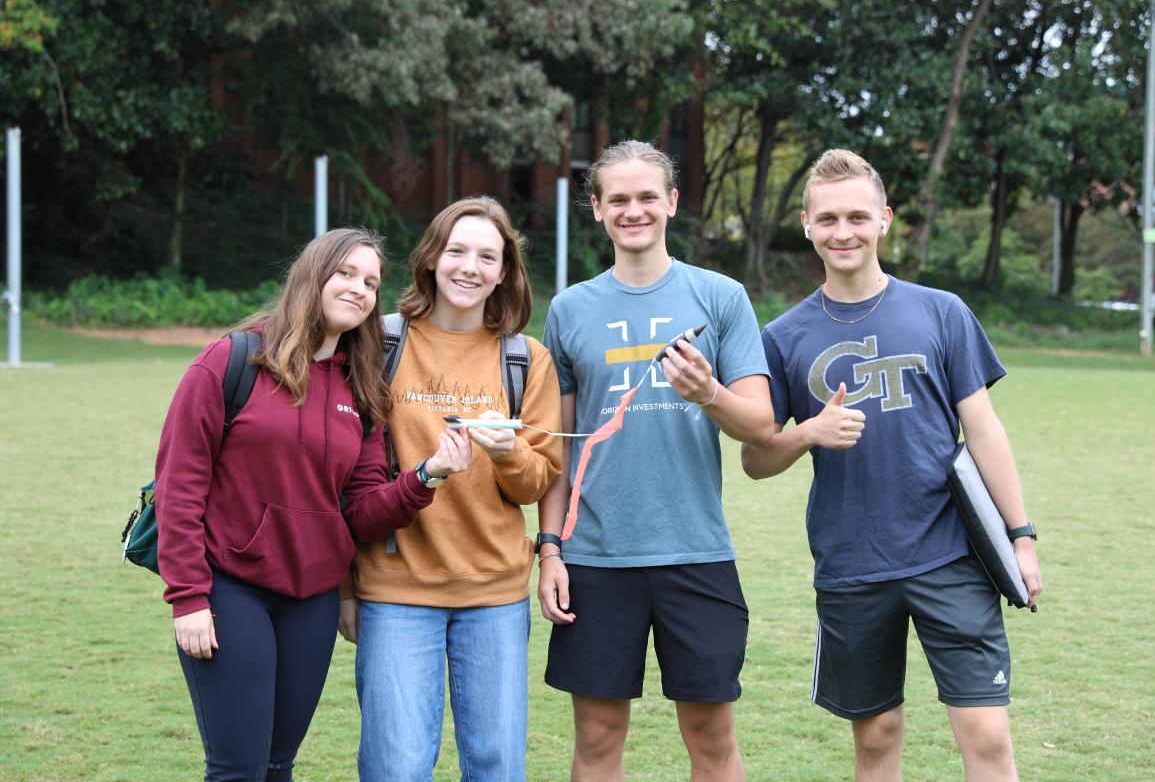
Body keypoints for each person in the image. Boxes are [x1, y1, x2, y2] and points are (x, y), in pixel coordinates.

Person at [741, 149, 1044, 782]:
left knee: (987, 736)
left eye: (857, 216)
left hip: (952, 557)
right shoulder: (784, 337)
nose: (842, 232)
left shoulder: (941, 312)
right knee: (876, 738)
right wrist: (809, 435)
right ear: (805, 224)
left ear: (884, 219)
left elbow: (984, 430)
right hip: (853, 565)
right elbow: (756, 458)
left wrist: (1021, 537)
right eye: (827, 219)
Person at [156, 228, 469, 782]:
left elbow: (363, 512)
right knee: (238, 768)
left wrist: (425, 476)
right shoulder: (232, 361)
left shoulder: (360, 389)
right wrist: (188, 599)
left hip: (313, 599)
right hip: (230, 588)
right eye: (346, 273)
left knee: (279, 765)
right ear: (312, 274)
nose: (360, 289)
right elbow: (179, 487)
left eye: (371, 282)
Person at [537, 140, 775, 781]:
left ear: (671, 203)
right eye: (618, 199)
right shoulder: (568, 310)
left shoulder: (720, 297)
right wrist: (551, 550)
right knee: (596, 737)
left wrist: (710, 393)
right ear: (596, 209)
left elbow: (760, 424)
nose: (633, 210)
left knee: (712, 739)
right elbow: (561, 450)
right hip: (595, 557)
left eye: (647, 197)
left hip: (696, 552)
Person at [339, 196, 562, 781]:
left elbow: (541, 479)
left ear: (505, 271)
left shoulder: (525, 360)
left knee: (496, 766)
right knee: (398, 767)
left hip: (494, 595)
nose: (470, 266)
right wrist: (343, 587)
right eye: (457, 249)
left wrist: (508, 451)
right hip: (394, 591)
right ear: (431, 257)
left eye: (488, 256)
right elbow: (336, 474)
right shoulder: (376, 341)